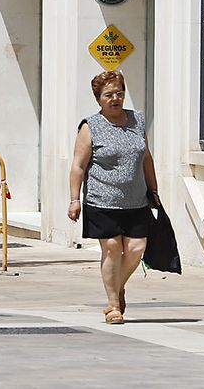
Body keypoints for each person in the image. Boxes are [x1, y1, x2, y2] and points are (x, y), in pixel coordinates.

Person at [68, 70, 158, 325]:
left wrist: (154, 190)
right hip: (101, 200)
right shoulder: (90, 126)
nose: (115, 98)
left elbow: (146, 158)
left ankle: (117, 286)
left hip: (136, 200)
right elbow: (78, 166)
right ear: (98, 98)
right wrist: (74, 199)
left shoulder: (137, 121)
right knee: (112, 248)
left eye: (119, 93)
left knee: (136, 249)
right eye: (109, 95)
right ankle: (112, 305)